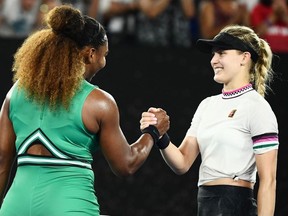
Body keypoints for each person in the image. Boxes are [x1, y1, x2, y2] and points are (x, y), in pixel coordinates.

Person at [0, 4, 169, 215]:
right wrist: (152, 132)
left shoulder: (14, 93)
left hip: (16, 206)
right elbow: (126, 164)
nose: (104, 62)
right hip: (69, 205)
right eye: (103, 55)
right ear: (90, 54)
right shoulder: (99, 102)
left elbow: (1, 162)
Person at [140, 24, 279, 215]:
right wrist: (159, 135)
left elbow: (269, 181)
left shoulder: (257, 107)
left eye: (221, 53)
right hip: (205, 205)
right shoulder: (207, 105)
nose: (214, 60)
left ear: (245, 58)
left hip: (237, 207)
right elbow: (182, 163)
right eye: (213, 54)